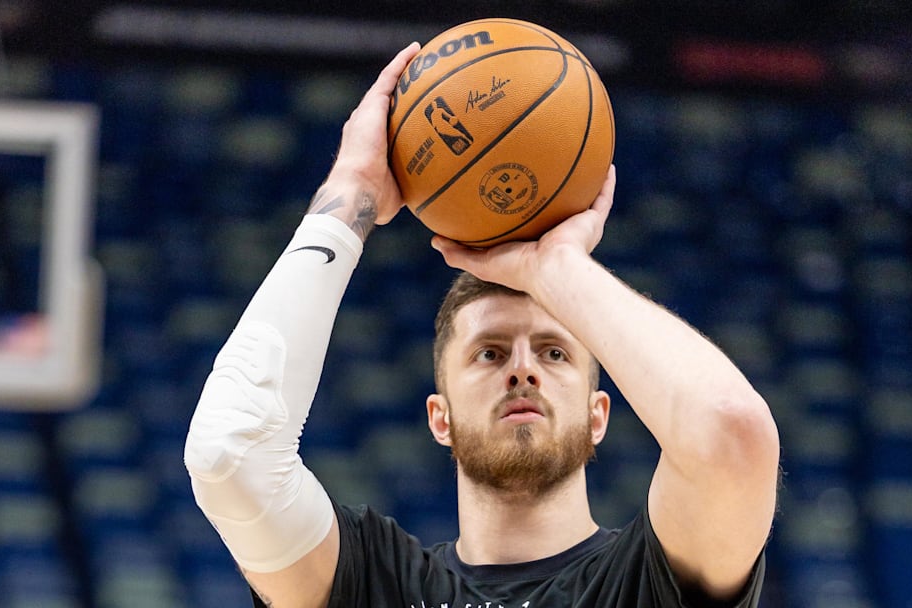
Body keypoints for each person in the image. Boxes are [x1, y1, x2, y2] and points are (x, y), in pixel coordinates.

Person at [184, 42, 780, 608]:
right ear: (439, 418)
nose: (522, 369)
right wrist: (352, 192)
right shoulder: (374, 582)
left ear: (599, 414)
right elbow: (229, 454)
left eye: (553, 353)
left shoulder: (647, 582)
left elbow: (730, 434)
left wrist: (557, 270)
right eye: (490, 354)